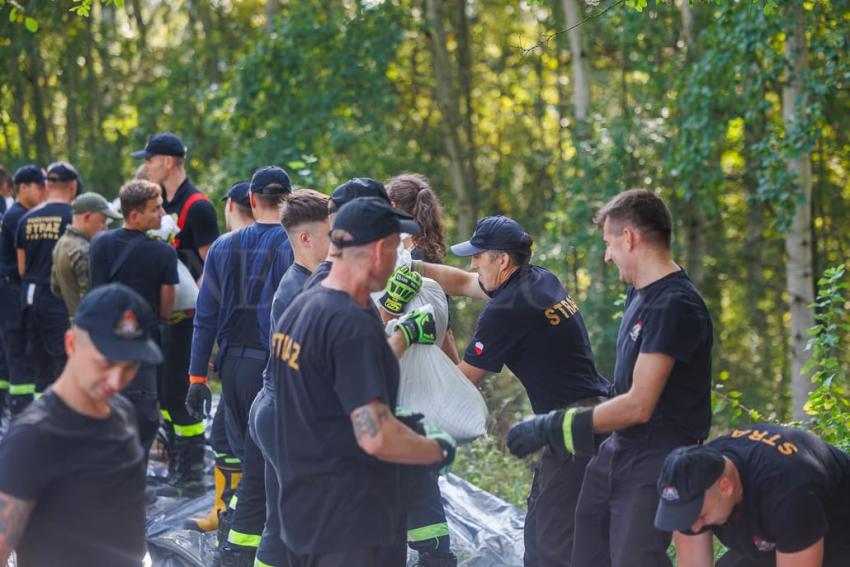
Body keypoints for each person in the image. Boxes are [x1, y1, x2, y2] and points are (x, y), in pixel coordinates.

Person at [507, 189, 714, 567]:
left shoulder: (674, 305)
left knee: (632, 557)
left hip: (659, 453)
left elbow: (639, 404)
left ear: (630, 238)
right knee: (583, 546)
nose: (606, 255)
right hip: (618, 448)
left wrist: (551, 426)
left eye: (609, 243)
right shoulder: (639, 292)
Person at [402, 215, 610, 567]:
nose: (473, 263)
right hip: (593, 414)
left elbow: (462, 382)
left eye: (479, 256)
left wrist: (421, 338)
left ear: (502, 260)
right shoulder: (540, 278)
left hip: (575, 431)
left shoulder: (506, 310)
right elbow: (467, 282)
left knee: (549, 544)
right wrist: (413, 267)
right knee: (552, 527)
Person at [268, 197, 453, 566]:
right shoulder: (351, 325)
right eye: (398, 247)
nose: (399, 258)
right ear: (379, 250)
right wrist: (435, 449)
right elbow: (375, 435)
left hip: (305, 514)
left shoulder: (300, 310)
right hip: (351, 525)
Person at [0, 283, 162, 566]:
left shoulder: (123, 413)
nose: (117, 381)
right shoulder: (33, 438)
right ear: (71, 344)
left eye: (130, 366)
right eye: (105, 363)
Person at [184, 166, 293, 563]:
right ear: (289, 201)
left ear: (250, 200)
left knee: (249, 461)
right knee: (275, 465)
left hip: (232, 367)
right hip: (278, 367)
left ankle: (236, 545)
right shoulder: (297, 246)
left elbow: (205, 316)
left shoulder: (223, 248)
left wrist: (197, 376)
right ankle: (267, 546)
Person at [133, 131, 219, 488]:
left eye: (150, 159)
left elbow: (213, 266)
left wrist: (191, 301)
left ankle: (192, 468)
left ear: (168, 162)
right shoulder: (161, 203)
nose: (146, 166)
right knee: (165, 392)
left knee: (179, 392)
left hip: (188, 319)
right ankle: (177, 460)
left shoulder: (196, 206)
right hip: (165, 315)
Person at [250, 188, 330, 566]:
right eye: (333, 235)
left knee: (280, 520)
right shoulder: (300, 289)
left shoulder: (305, 281)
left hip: (276, 410)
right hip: (287, 416)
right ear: (306, 238)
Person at [655, 424, 850, 567]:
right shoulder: (695, 479)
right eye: (685, 516)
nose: (695, 526)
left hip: (839, 529)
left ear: (725, 487)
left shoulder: (787, 493)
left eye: (700, 515)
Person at [90, 179, 179, 459]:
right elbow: (166, 308)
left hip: (106, 344)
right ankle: (132, 481)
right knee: (144, 417)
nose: (163, 215)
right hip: (142, 345)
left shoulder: (100, 244)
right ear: (135, 215)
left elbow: (96, 293)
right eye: (156, 209)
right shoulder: (164, 253)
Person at [15, 161, 78, 409]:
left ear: (48, 185)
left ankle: (44, 417)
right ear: (72, 186)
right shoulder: (74, 218)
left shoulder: (26, 219)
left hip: (29, 298)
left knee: (39, 364)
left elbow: (21, 269)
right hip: (58, 299)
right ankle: (67, 418)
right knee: (64, 362)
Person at [386, 173, 460, 364]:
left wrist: (460, 377)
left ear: (393, 206)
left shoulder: (413, 260)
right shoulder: (425, 254)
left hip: (414, 362)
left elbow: (442, 325)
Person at [0, 166, 45, 418]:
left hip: (11, 290)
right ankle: (21, 411)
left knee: (11, 352)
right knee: (17, 351)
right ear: (24, 187)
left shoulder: (19, 214)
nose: (44, 192)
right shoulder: (19, 216)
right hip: (10, 290)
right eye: (40, 186)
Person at [51, 192, 121, 318]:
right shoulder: (84, 250)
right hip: (89, 326)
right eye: (102, 221)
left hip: (74, 322)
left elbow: (56, 288)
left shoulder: (61, 243)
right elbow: (91, 300)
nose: (105, 228)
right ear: (87, 217)